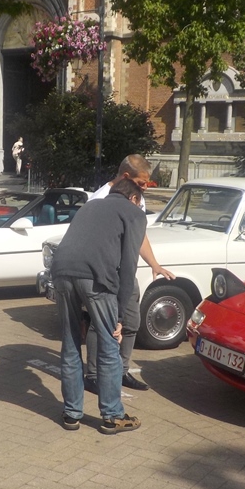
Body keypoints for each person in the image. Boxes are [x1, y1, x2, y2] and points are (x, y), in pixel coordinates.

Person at [52, 177, 147, 434]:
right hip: (96, 278)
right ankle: (113, 416)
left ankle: (71, 413)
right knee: (108, 345)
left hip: (61, 271)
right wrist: (119, 316)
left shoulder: (92, 205)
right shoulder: (134, 213)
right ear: (134, 198)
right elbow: (128, 266)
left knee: (70, 342)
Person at [84, 155, 176, 393]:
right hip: (104, 273)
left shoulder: (137, 197)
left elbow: (139, 233)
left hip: (126, 271)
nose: (145, 188)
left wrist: (154, 264)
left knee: (132, 321)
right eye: (141, 183)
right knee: (100, 323)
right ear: (126, 177)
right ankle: (92, 375)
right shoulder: (100, 199)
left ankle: (122, 371)